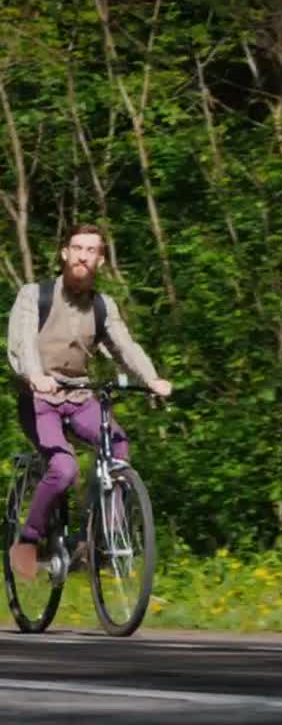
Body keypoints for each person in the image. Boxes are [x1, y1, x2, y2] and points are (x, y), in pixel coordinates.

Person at [5, 225, 171, 581]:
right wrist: (35, 375)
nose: (82, 255)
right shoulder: (35, 295)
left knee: (118, 442)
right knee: (64, 470)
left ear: (101, 259)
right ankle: (28, 540)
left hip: (79, 396)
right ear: (64, 253)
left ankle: (103, 536)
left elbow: (125, 346)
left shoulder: (101, 306)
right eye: (76, 248)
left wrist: (152, 379)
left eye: (91, 250)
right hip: (39, 399)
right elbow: (23, 343)